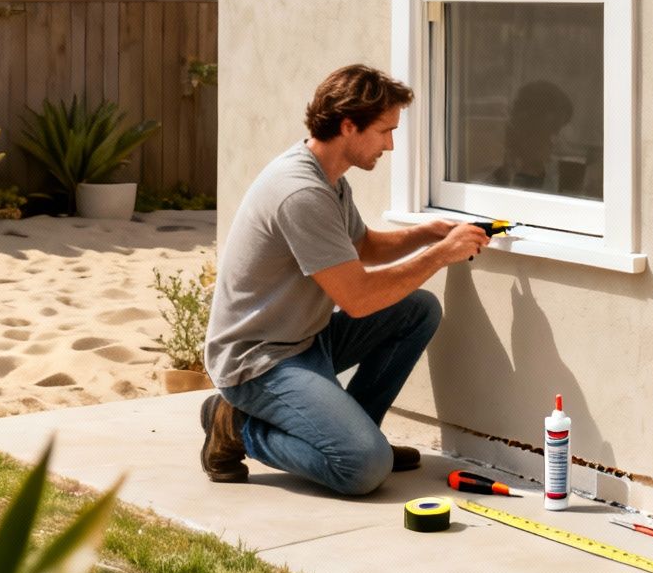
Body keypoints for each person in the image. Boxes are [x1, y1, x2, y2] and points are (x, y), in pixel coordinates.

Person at [199, 65, 493, 494]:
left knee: (417, 311)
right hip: (258, 361)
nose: (390, 145)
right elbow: (358, 298)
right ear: (348, 125)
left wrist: (426, 233)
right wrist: (441, 254)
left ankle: (353, 433)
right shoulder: (301, 192)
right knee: (364, 470)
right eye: (384, 131)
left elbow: (362, 247)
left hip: (305, 338)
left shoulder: (328, 177)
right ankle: (236, 425)